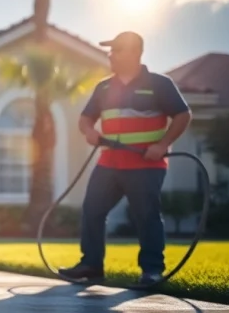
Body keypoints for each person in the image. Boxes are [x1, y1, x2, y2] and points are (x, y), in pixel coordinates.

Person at [58, 31, 192, 286]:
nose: (111, 55)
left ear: (135, 52)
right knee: (92, 210)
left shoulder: (159, 84)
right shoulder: (104, 87)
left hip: (146, 165)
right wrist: (89, 132)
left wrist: (163, 144)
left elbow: (183, 115)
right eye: (111, 50)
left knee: (146, 215)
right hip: (108, 163)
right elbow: (85, 118)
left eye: (117, 50)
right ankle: (91, 266)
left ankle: (152, 271)